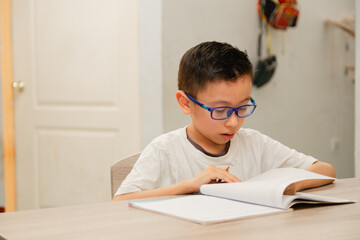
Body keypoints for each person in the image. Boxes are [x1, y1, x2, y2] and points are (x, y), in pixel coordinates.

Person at [113, 41, 335, 201]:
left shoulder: (255, 144)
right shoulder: (165, 150)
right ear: (185, 103)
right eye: (220, 110)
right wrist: (187, 186)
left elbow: (326, 170)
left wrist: (285, 185)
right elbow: (120, 202)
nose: (233, 122)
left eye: (243, 108)